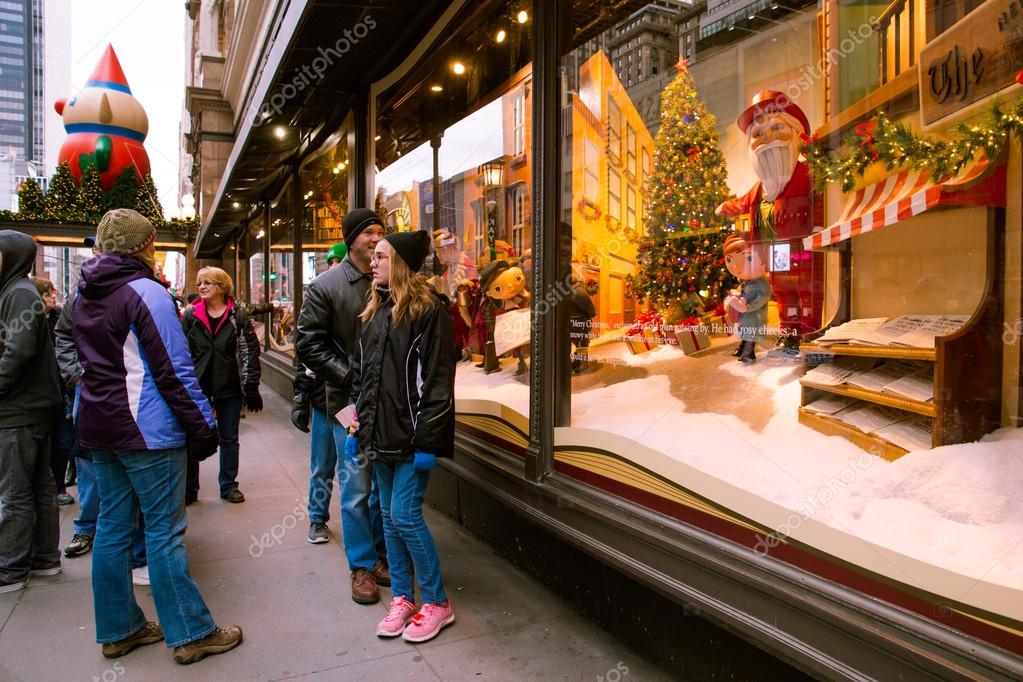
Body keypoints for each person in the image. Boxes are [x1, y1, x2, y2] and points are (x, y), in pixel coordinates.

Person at [72, 208, 242, 663]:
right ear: (146, 244)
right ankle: (189, 633)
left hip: (100, 427)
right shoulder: (147, 292)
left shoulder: (84, 292)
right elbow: (175, 369)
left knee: (111, 527)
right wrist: (204, 426)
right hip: (147, 429)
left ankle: (119, 628)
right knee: (164, 532)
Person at [352, 230, 456, 643]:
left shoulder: (430, 312)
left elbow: (438, 384)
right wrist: (354, 427)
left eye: (380, 256)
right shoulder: (376, 310)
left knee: (405, 516)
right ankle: (402, 597)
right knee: (389, 520)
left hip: (412, 439)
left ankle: (437, 602)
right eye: (373, 256)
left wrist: (428, 443)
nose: (372, 262)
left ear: (401, 263)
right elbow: (363, 379)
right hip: (379, 435)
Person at [296, 208, 388, 604]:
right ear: (351, 239)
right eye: (368, 232)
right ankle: (361, 566)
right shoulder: (326, 286)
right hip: (346, 403)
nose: (375, 239)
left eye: (381, 232)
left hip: (388, 402)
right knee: (355, 486)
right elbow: (308, 343)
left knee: (382, 488)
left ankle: (383, 557)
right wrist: (349, 375)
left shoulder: (389, 278)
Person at [53, 239, 149, 584]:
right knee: (95, 471)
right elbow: (63, 337)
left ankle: (134, 555)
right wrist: (76, 376)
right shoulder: (80, 296)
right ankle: (87, 528)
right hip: (95, 395)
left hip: (131, 396)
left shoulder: (140, 291)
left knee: (130, 484)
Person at [716, 90, 824, 351]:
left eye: (777, 128)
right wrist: (724, 207)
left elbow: (820, 197)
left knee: (807, 293)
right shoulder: (759, 188)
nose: (767, 138)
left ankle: (809, 335)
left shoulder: (807, 174)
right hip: (776, 253)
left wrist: (819, 227)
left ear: (795, 133)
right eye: (758, 134)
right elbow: (742, 202)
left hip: (803, 249)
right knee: (785, 295)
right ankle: (789, 334)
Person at [0, 231, 63, 594]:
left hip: (20, 409)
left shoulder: (18, 294)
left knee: (17, 490)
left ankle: (11, 567)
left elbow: (18, 352)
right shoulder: (19, 292)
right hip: (31, 407)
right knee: (38, 485)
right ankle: (43, 559)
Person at [181, 266, 262, 504]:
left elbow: (249, 351)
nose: (202, 287)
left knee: (229, 438)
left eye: (208, 282)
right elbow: (182, 353)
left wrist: (251, 386)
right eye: (200, 283)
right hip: (198, 388)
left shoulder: (237, 316)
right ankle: (189, 489)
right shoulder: (190, 317)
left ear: (222, 286)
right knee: (194, 437)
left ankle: (228, 485)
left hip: (230, 387)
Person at [292, 246, 345, 544]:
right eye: (332, 263)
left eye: (339, 262)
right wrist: (301, 397)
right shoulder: (316, 300)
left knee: (355, 472)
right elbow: (305, 355)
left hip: (351, 401)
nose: (335, 268)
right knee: (322, 465)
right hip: (325, 401)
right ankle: (317, 518)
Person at [32, 276, 75, 506]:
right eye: (47, 293)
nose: (52, 296)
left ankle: (59, 485)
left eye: (52, 292)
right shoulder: (29, 321)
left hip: (63, 391)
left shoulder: (60, 316)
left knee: (64, 442)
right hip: (41, 395)